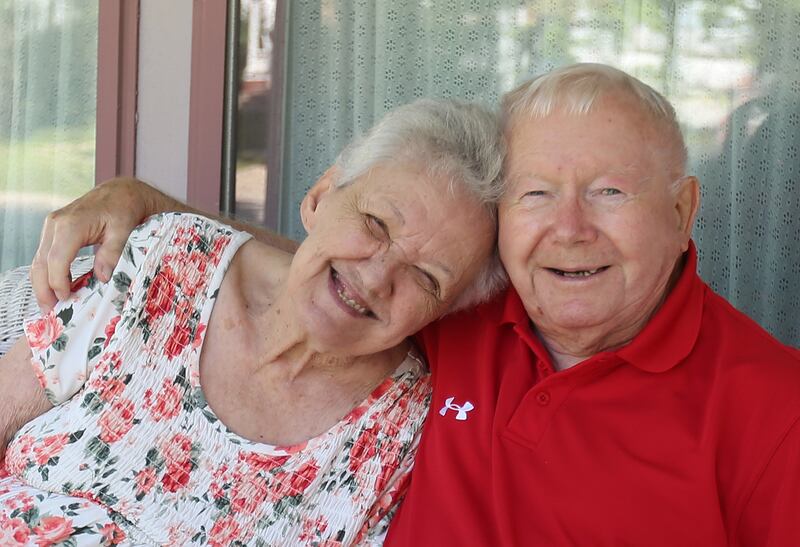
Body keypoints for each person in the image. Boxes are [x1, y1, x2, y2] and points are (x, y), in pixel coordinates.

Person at [25, 64, 800, 545]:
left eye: (610, 192)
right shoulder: (469, 314)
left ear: (683, 209)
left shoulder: (774, 409)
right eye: (537, 193)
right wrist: (147, 206)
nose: (569, 228)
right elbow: (339, 261)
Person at [0, 98, 506, 545]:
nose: (376, 278)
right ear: (321, 196)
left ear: (446, 313)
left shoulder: (402, 436)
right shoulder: (167, 261)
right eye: (374, 224)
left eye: (425, 277)